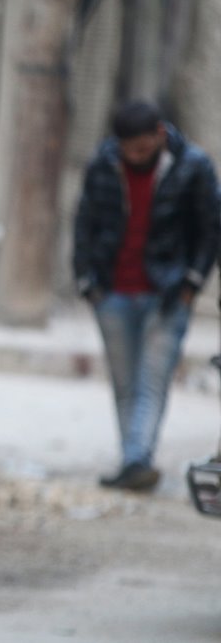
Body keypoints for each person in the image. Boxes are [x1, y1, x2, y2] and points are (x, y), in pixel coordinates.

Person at [73, 100, 220, 492]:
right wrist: (87, 282)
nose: (134, 156)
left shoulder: (194, 166)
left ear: (159, 134)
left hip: (168, 296)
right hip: (112, 293)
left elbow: (211, 230)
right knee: (124, 385)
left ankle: (138, 458)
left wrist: (192, 284)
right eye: (127, 149)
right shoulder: (103, 165)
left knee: (151, 383)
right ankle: (132, 460)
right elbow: (85, 222)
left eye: (141, 148)